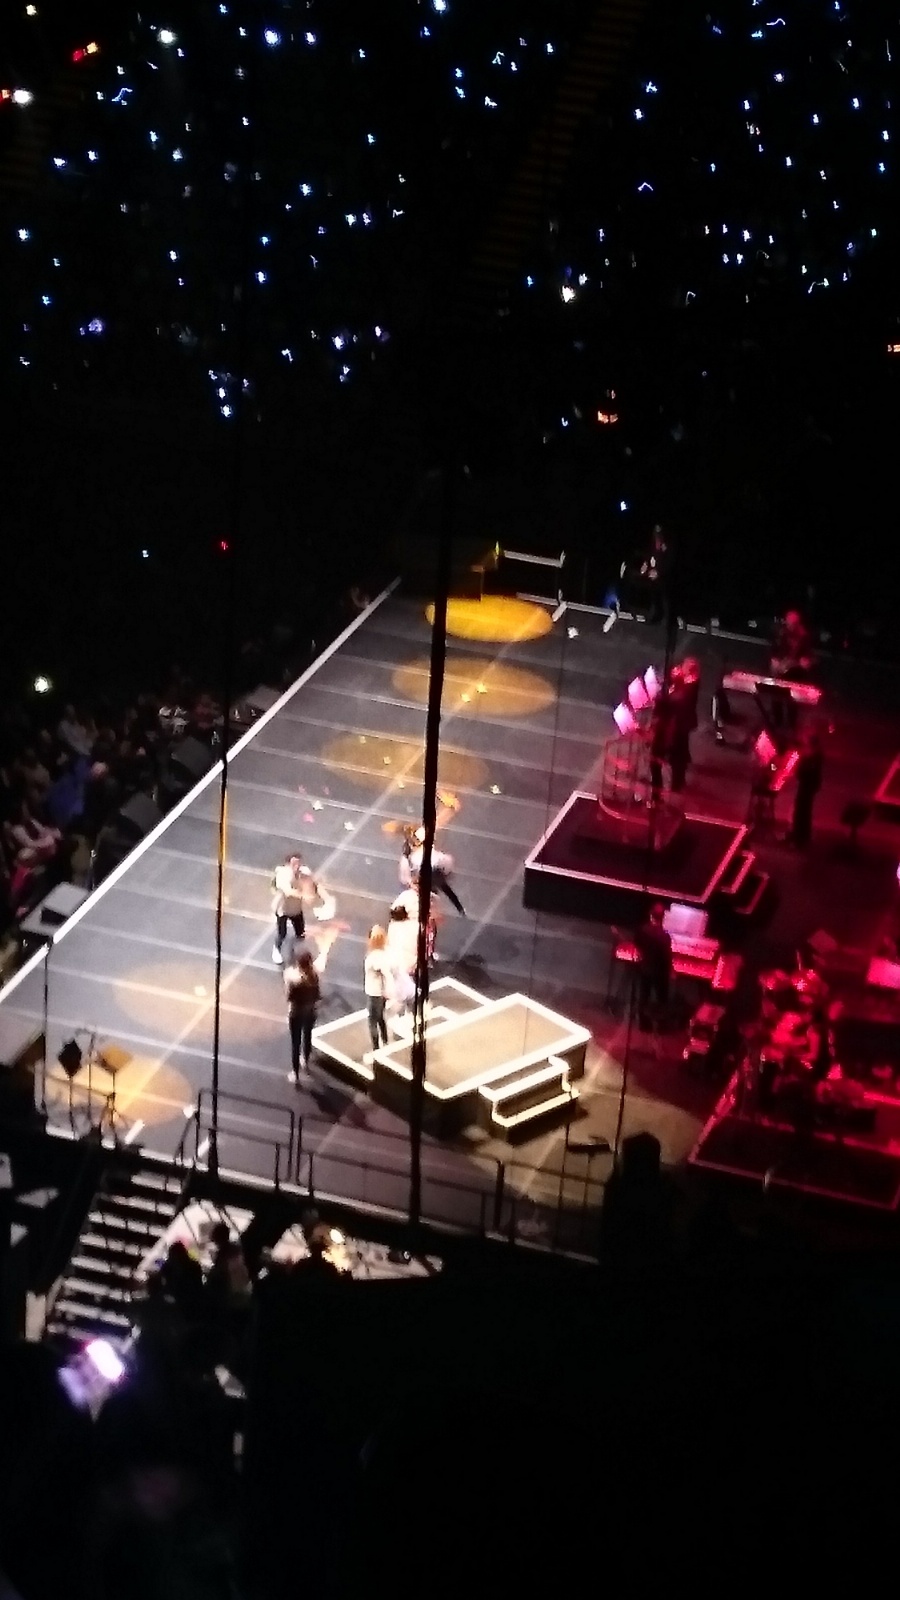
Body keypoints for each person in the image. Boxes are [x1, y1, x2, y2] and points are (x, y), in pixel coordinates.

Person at [270, 852, 316, 964]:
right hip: (283, 909)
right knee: (282, 933)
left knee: (300, 932)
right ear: (288, 863)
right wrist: (303, 895)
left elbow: (311, 884)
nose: (297, 866)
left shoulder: (303, 873)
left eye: (298, 863)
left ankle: (295, 949)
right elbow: (288, 891)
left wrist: (310, 889)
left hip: (296, 909)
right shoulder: (283, 874)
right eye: (294, 863)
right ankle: (276, 949)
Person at [408, 826, 465, 914]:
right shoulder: (426, 851)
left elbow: (417, 864)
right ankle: (459, 908)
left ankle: (428, 910)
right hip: (433, 872)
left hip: (429, 873)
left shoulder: (418, 853)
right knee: (445, 890)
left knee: (435, 892)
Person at [284, 948, 320, 1081]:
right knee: (307, 1036)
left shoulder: (294, 980)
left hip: (296, 1013)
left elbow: (289, 997)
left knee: (296, 1042)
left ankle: (295, 1073)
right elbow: (317, 995)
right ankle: (305, 1060)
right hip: (310, 1011)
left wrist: (287, 981)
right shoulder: (314, 977)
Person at [635, 903, 673, 1028]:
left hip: (645, 968)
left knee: (644, 995)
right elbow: (666, 956)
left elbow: (638, 947)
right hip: (660, 972)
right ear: (663, 918)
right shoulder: (665, 936)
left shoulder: (642, 930)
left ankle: (643, 1024)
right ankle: (661, 1025)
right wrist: (672, 970)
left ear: (651, 915)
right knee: (662, 998)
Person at [787, 732, 824, 849]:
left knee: (801, 812)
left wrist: (799, 763)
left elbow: (802, 772)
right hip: (809, 786)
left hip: (807, 786)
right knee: (804, 811)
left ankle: (799, 838)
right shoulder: (816, 755)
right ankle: (801, 836)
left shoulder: (813, 758)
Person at [364, 925, 391, 1055]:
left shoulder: (374, 957)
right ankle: (385, 1040)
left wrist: (388, 988)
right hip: (380, 992)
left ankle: (376, 1048)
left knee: (372, 1021)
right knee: (380, 1017)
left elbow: (385, 972)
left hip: (374, 993)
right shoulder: (384, 954)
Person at [771, 610, 814, 680]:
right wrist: (775, 660)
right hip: (782, 666)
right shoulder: (782, 634)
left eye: (793, 624)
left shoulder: (804, 637)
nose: (790, 626)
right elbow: (775, 650)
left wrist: (804, 660)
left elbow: (808, 655)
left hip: (797, 668)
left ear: (797, 624)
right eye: (788, 623)